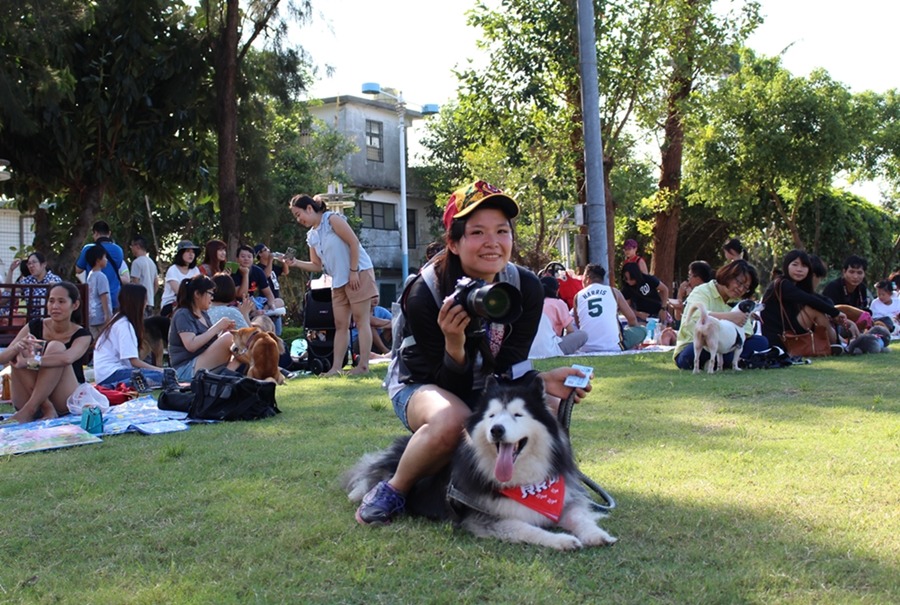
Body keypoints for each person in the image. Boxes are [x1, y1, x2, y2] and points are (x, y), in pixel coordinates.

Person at [357, 179, 592, 526]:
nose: (492, 243)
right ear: (453, 242)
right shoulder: (426, 292)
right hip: (420, 384)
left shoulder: (524, 287)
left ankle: (529, 488)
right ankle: (395, 488)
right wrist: (455, 345)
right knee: (455, 421)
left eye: (501, 231)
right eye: (478, 233)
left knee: (548, 409)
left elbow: (510, 365)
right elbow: (446, 386)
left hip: (484, 385)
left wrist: (541, 382)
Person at [287, 194, 378, 376]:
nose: (299, 220)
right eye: (296, 217)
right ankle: (336, 368)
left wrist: (353, 272)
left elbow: (353, 243)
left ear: (310, 208)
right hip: (337, 280)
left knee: (361, 321)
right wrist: (295, 262)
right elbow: (316, 265)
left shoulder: (332, 219)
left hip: (358, 273)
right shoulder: (312, 236)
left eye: (299, 214)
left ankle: (363, 366)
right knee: (340, 324)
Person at [1, 282, 92, 423]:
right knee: (21, 349)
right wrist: (17, 348)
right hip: (28, 395)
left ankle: (31, 409)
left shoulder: (82, 334)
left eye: (61, 301)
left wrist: (29, 362)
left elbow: (67, 358)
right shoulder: (34, 326)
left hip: (64, 398)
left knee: (56, 347)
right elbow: (4, 357)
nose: (55, 306)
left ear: (75, 305)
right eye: (51, 301)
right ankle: (44, 406)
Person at [673, 260, 769, 370]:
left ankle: (719, 362)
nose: (741, 289)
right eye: (739, 283)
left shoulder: (740, 302)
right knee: (692, 353)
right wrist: (731, 317)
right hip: (696, 344)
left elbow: (746, 332)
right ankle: (730, 361)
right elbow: (696, 316)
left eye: (746, 287)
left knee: (761, 342)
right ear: (728, 276)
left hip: (726, 345)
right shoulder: (702, 291)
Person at [759, 250, 855, 353]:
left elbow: (818, 298)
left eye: (804, 266)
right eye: (795, 265)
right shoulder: (782, 284)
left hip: (789, 329)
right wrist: (835, 312)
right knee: (814, 309)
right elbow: (809, 299)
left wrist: (833, 313)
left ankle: (838, 343)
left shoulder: (796, 285)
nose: (799, 269)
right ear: (787, 265)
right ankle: (838, 344)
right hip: (778, 336)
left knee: (818, 309)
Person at [167, 274, 238, 382]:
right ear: (197, 294)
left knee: (237, 346)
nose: (212, 298)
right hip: (185, 370)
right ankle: (225, 378)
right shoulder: (183, 314)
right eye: (210, 293)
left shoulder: (203, 314)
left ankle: (226, 377)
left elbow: (207, 341)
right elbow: (191, 345)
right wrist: (217, 327)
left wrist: (222, 332)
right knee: (229, 338)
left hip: (200, 364)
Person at [93, 284, 165, 388]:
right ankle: (116, 385)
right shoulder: (124, 325)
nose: (146, 304)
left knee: (156, 375)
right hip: (111, 374)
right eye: (145, 300)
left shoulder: (118, 320)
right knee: (161, 376)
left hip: (106, 374)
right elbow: (134, 361)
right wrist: (160, 370)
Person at [573, 264, 645, 352]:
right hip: (613, 346)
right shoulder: (613, 291)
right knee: (642, 330)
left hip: (586, 347)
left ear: (587, 279)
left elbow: (579, 324)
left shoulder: (578, 296)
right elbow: (632, 318)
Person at [74, 220, 129, 310]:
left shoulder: (88, 249)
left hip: (94, 300)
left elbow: (78, 270)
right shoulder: (118, 250)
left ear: (95, 233)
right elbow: (118, 267)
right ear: (109, 233)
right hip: (114, 297)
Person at [537, 275, 588, 354]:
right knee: (583, 335)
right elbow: (570, 330)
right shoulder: (558, 303)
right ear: (557, 290)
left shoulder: (534, 304)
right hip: (551, 347)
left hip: (532, 349)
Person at [232, 244, 283, 319]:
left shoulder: (258, 271)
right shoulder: (234, 271)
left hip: (255, 302)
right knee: (248, 301)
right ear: (237, 259)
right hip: (240, 302)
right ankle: (255, 314)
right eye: (243, 256)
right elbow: (241, 295)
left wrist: (271, 304)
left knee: (279, 301)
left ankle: (263, 313)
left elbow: (269, 294)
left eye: (249, 257)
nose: (246, 259)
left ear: (253, 259)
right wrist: (245, 274)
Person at [4, 252, 63, 317]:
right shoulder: (28, 280)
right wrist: (11, 270)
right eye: (29, 263)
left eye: (34, 262)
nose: (31, 266)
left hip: (49, 319)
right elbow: (8, 289)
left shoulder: (54, 279)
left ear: (44, 264)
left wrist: (55, 287)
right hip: (31, 320)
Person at [821, 255, 871, 328]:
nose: (855, 276)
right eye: (851, 272)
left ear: (864, 274)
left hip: (856, 324)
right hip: (835, 325)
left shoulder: (862, 288)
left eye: (859, 273)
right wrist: (849, 323)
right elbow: (829, 313)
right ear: (844, 272)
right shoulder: (833, 287)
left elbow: (863, 309)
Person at [160, 240, 202, 317]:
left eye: (193, 252)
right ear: (180, 253)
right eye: (187, 251)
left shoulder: (195, 270)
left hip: (191, 304)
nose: (191, 254)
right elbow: (179, 291)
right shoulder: (173, 269)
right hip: (172, 304)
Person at [85, 244, 112, 341]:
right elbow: (103, 295)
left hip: (91, 316)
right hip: (101, 316)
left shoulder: (90, 275)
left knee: (96, 341)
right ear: (98, 260)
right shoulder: (101, 276)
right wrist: (107, 314)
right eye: (104, 257)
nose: (106, 260)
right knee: (105, 341)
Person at [129, 236, 158, 315]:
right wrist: (150, 295)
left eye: (132, 246)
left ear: (137, 246)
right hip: (150, 303)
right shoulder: (152, 263)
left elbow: (135, 283)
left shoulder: (136, 262)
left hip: (139, 303)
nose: (131, 248)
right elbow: (156, 284)